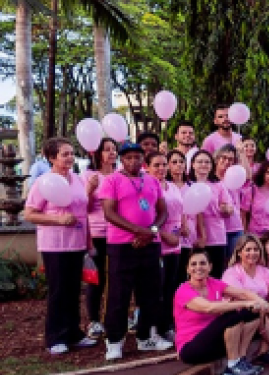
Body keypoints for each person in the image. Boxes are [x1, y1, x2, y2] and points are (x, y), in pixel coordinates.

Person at [174, 250, 269, 375]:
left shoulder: (213, 283)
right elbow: (210, 308)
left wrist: (263, 304)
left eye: (203, 263)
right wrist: (245, 303)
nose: (198, 267)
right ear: (187, 269)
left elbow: (243, 293)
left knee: (253, 313)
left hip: (216, 342)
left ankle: (244, 359)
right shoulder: (184, 291)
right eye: (193, 264)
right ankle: (233, 365)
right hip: (192, 349)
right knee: (232, 315)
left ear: (210, 267)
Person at [98, 142, 173, 360]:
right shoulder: (112, 180)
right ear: (122, 159)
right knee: (118, 295)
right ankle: (114, 341)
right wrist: (139, 231)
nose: (133, 161)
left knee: (151, 293)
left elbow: (163, 211)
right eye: (128, 157)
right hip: (122, 246)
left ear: (143, 159)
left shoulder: (151, 180)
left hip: (150, 244)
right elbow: (109, 213)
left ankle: (145, 337)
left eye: (137, 157)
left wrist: (152, 231)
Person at [24, 138, 97, 354]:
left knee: (73, 290)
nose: (70, 158)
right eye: (64, 154)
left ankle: (73, 333)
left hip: (77, 244)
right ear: (52, 157)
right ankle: (55, 337)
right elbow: (29, 213)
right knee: (58, 291)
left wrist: (91, 191)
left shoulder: (77, 180)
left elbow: (84, 209)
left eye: (71, 153)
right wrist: (57, 220)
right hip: (54, 245)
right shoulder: (44, 182)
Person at [148, 152, 186, 341]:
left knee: (171, 287)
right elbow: (145, 218)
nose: (161, 169)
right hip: (156, 244)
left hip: (175, 245)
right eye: (157, 165)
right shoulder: (147, 188)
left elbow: (181, 212)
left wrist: (179, 233)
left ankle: (167, 325)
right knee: (157, 289)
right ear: (147, 167)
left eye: (164, 165)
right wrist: (163, 235)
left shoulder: (172, 187)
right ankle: (153, 328)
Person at [83, 137, 118, 339]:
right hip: (96, 233)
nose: (111, 153)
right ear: (97, 153)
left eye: (114, 149)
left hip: (118, 234)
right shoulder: (89, 175)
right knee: (97, 279)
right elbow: (83, 207)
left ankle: (113, 317)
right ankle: (94, 320)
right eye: (107, 149)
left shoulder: (120, 175)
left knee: (116, 278)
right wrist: (89, 189)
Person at [188, 149, 234, 277]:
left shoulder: (218, 184)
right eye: (200, 161)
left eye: (207, 162)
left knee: (215, 274)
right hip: (192, 237)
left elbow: (229, 207)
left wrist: (226, 209)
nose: (203, 164)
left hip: (216, 236)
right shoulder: (188, 184)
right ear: (193, 164)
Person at [242, 161, 269, 235]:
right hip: (254, 236)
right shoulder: (251, 191)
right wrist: (244, 233)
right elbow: (243, 214)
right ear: (262, 174)